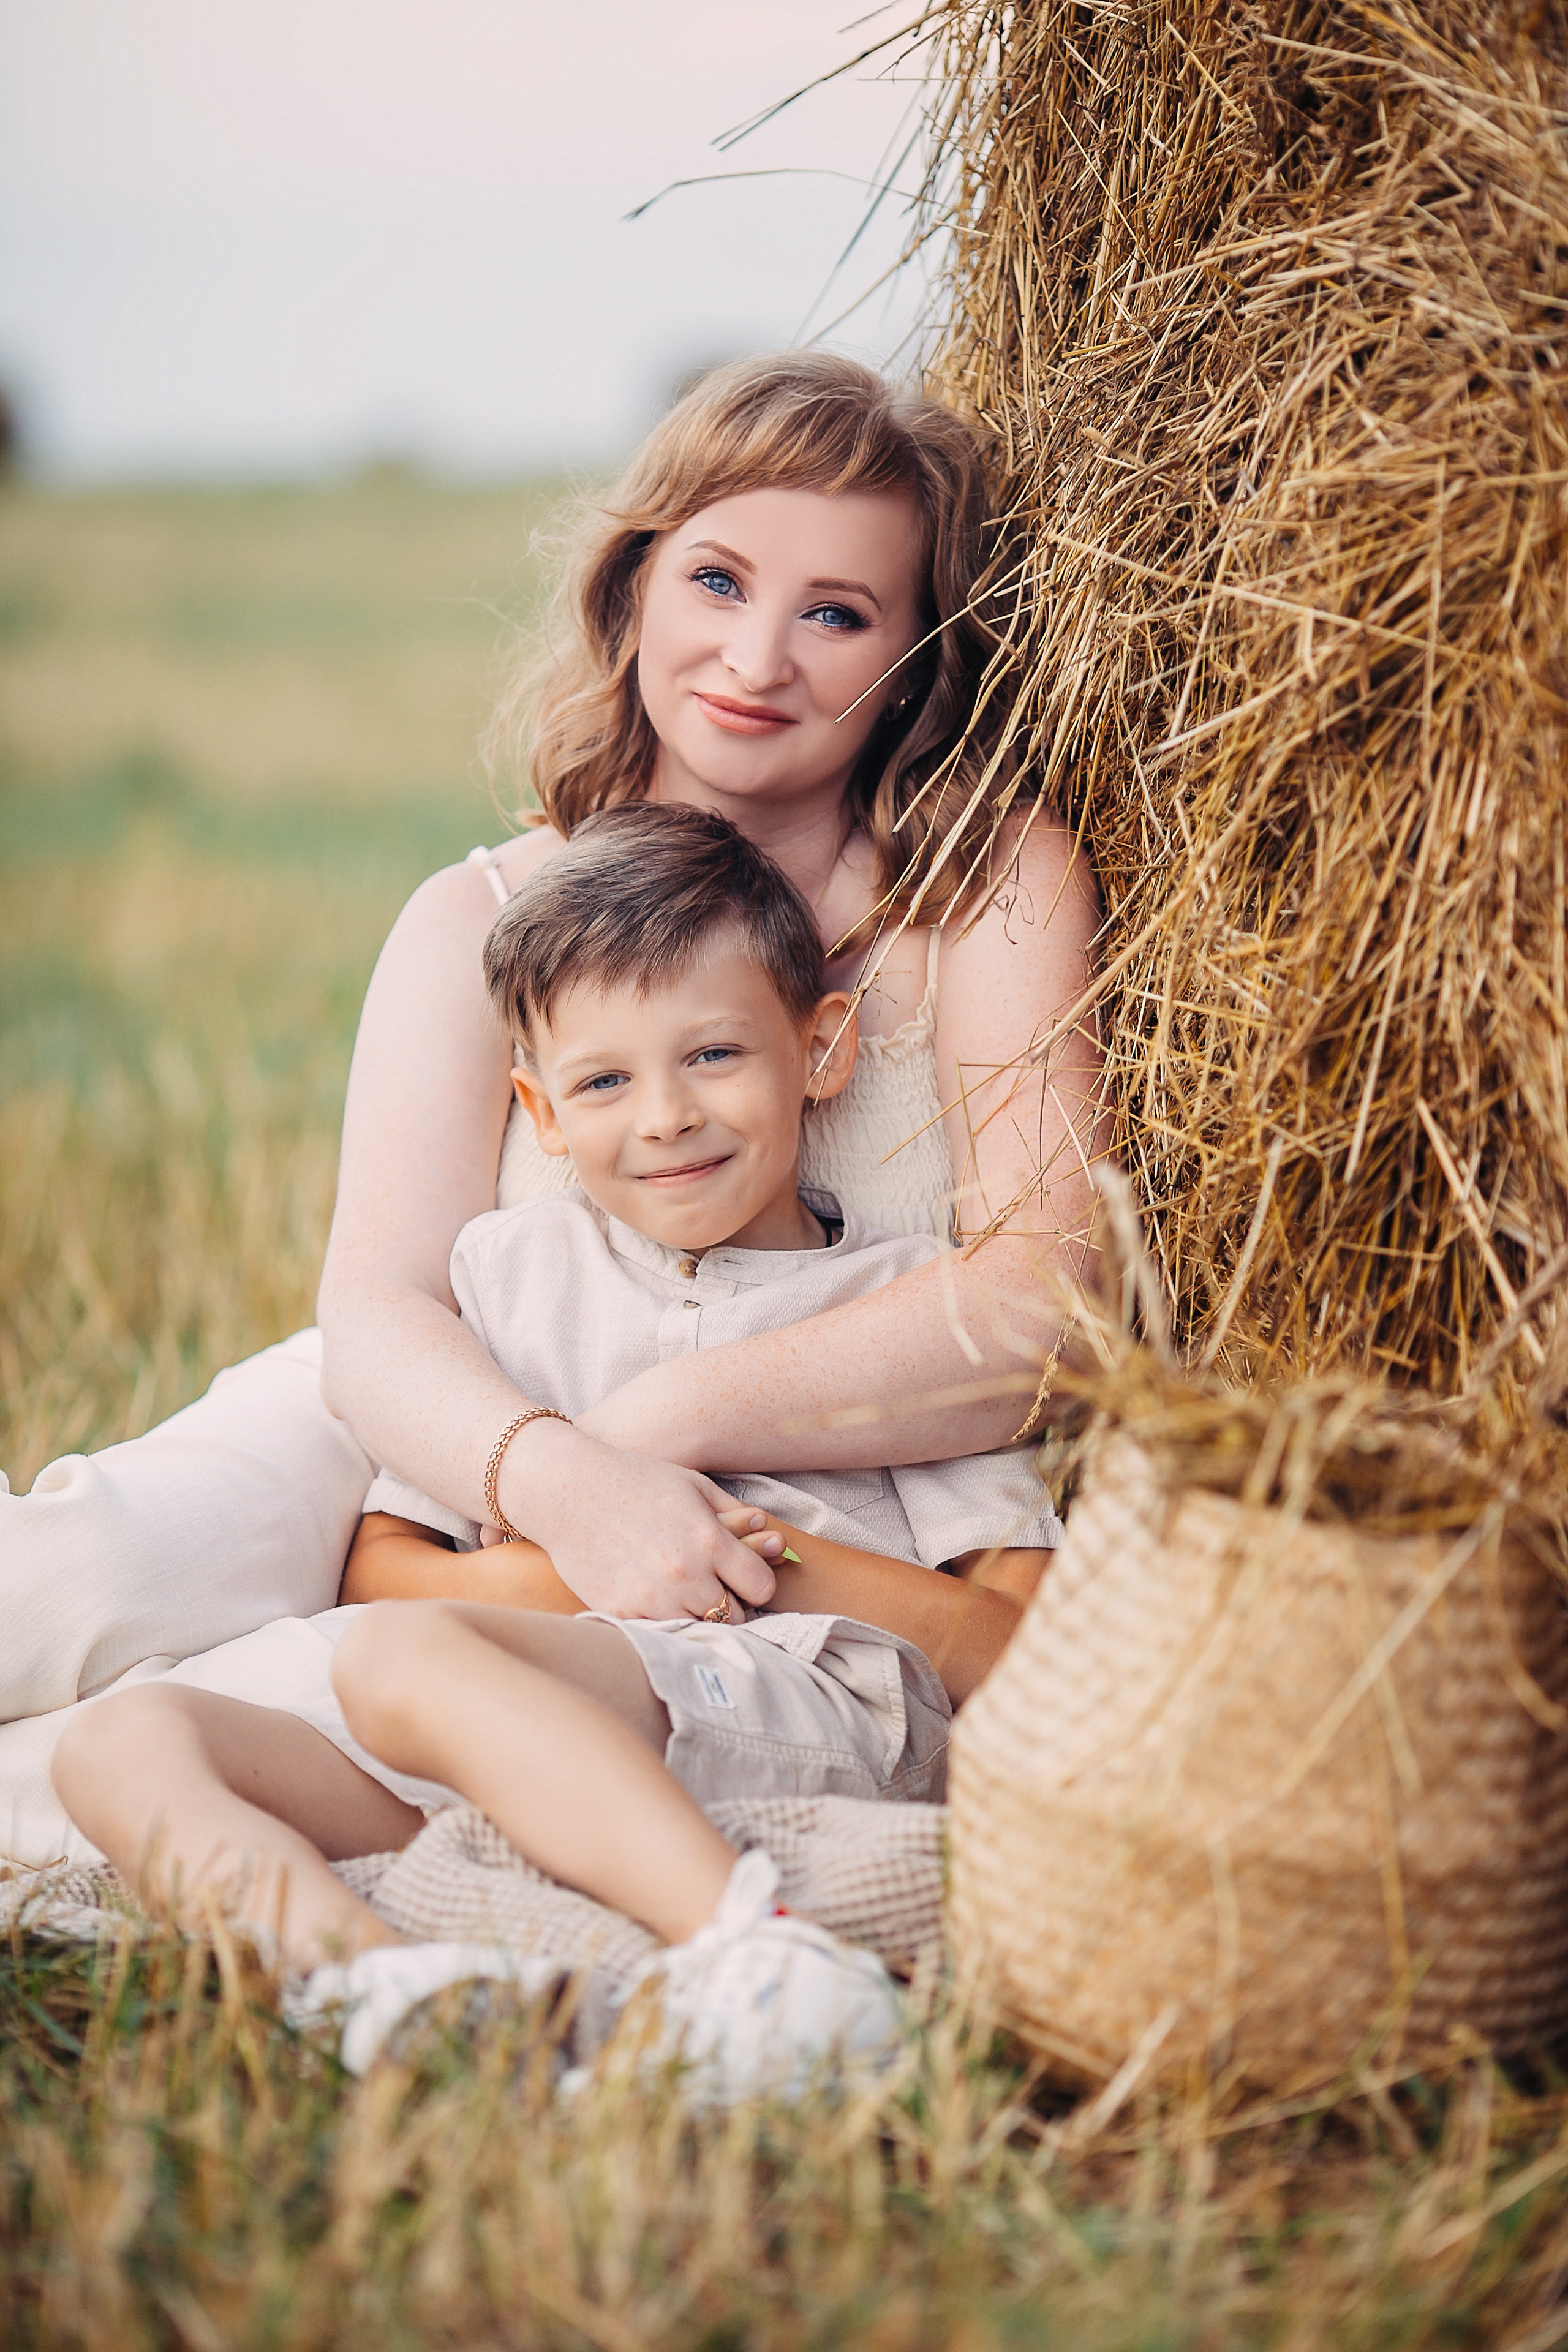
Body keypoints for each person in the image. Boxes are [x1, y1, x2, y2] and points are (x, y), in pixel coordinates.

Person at [1, 352, 1105, 1866]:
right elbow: (379, 1304)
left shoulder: (977, 887)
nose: (757, 656)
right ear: (636, 581)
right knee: (77, 1579)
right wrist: (553, 1468)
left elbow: (1048, 1299)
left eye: (835, 613)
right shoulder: (484, 911)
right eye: (716, 579)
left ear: (914, 659)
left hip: (788, 1487)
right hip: (440, 1413)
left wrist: (661, 1426)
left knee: (98, 1775)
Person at [50, 807, 1060, 2095]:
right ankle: (382, 1985)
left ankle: (769, 1955)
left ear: (820, 1049)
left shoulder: (901, 1308)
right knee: (123, 1742)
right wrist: (571, 1569)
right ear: (537, 1109)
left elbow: (1012, 1645)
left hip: (802, 1696)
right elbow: (386, 1572)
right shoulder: (514, 1279)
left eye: (711, 1054)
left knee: (411, 1664)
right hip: (509, 1720)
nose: (664, 1118)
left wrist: (754, 1564)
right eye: (602, 1082)